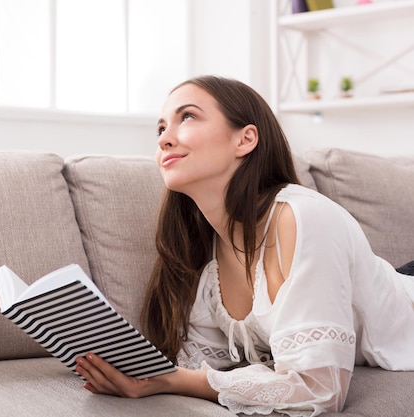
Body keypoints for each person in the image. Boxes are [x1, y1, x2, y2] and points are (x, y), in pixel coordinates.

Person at [74, 75, 414, 416]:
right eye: (161, 128)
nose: (165, 138)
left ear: (245, 139)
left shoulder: (303, 217)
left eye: (187, 116)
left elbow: (320, 390)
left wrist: (171, 381)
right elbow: (200, 364)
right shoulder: (207, 258)